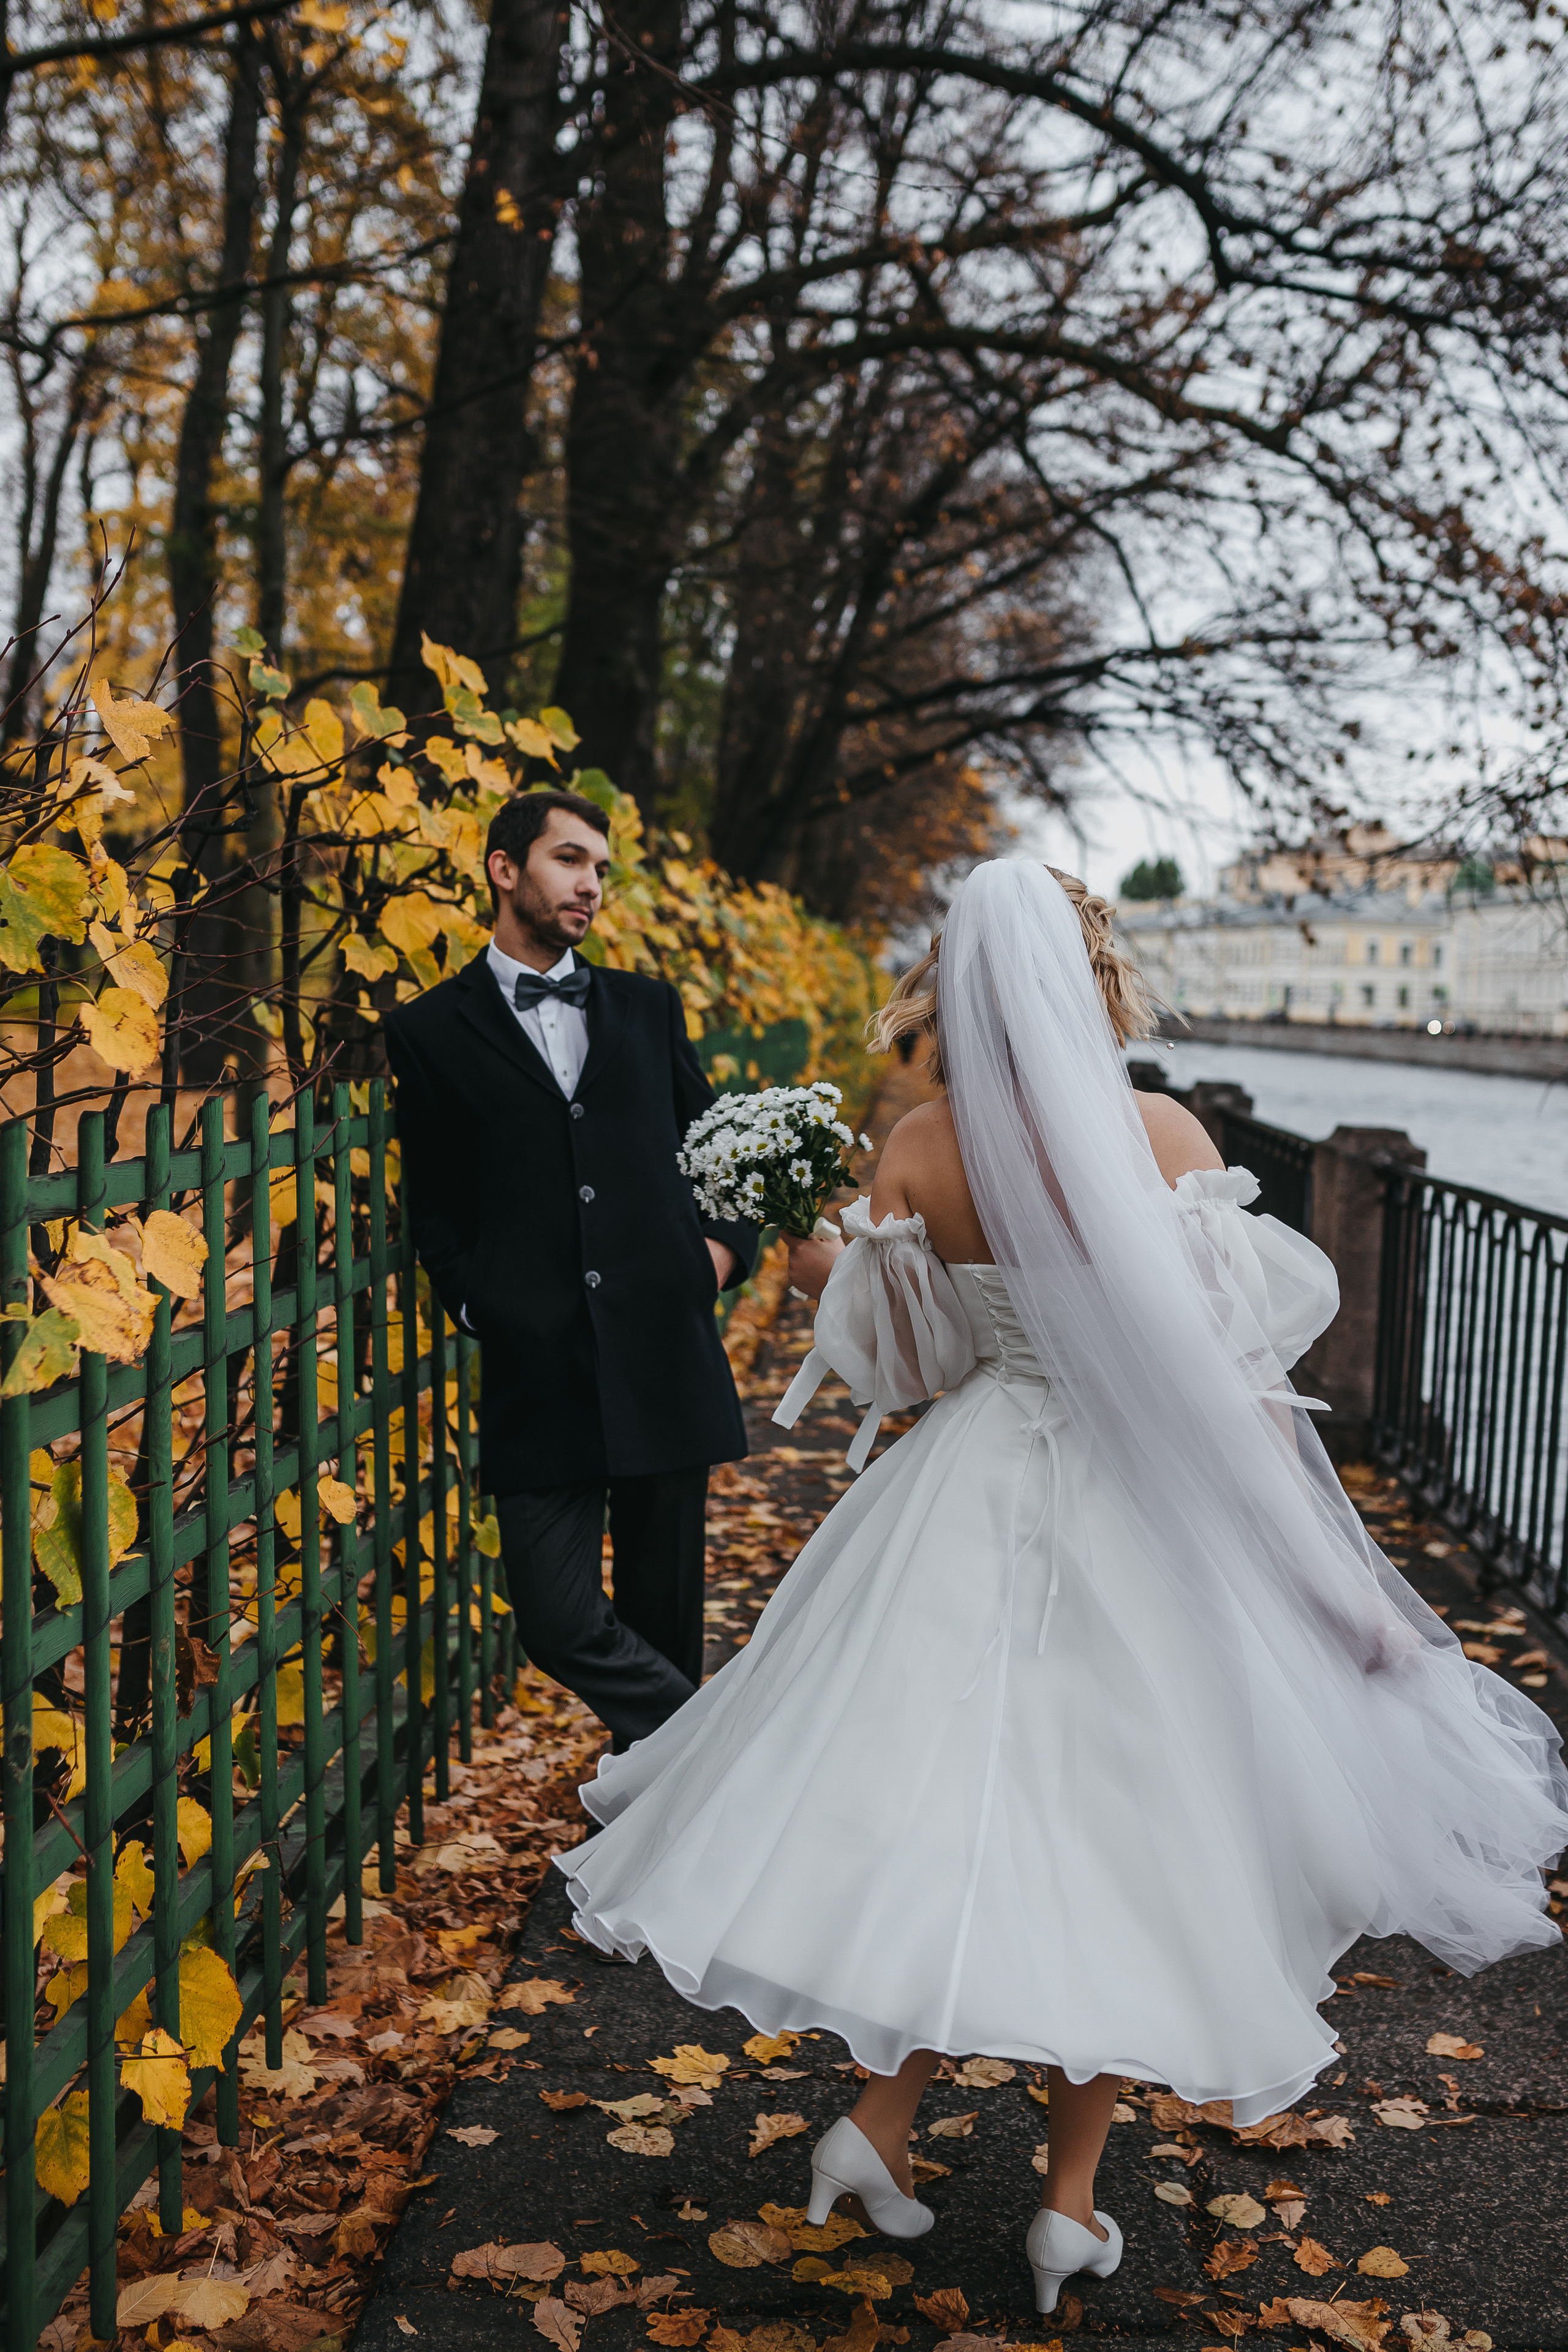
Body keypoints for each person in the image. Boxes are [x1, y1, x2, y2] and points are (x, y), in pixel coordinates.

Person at [556, 859, 1568, 2310]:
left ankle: (873, 2126)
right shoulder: (1158, 1131)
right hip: (1134, 1508)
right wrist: (1330, 1585)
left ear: (955, 982)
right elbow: (1232, 1382)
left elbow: (907, 1375)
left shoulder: (916, 1145)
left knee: (935, 1817)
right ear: (1091, 980)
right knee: (1119, 1838)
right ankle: (1066, 2205)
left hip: (963, 1485)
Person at [383, 788, 758, 1752]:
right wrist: (476, 1301)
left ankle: (661, 1832)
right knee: (554, 1617)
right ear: (505, 869)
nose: (589, 883)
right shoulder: (427, 1032)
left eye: (599, 867)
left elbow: (719, 1147)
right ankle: (721, 1763)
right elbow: (435, 1203)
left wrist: (714, 1257)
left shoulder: (644, 1006)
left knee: (664, 1615)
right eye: (568, 860)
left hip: (662, 1352)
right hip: (537, 1368)